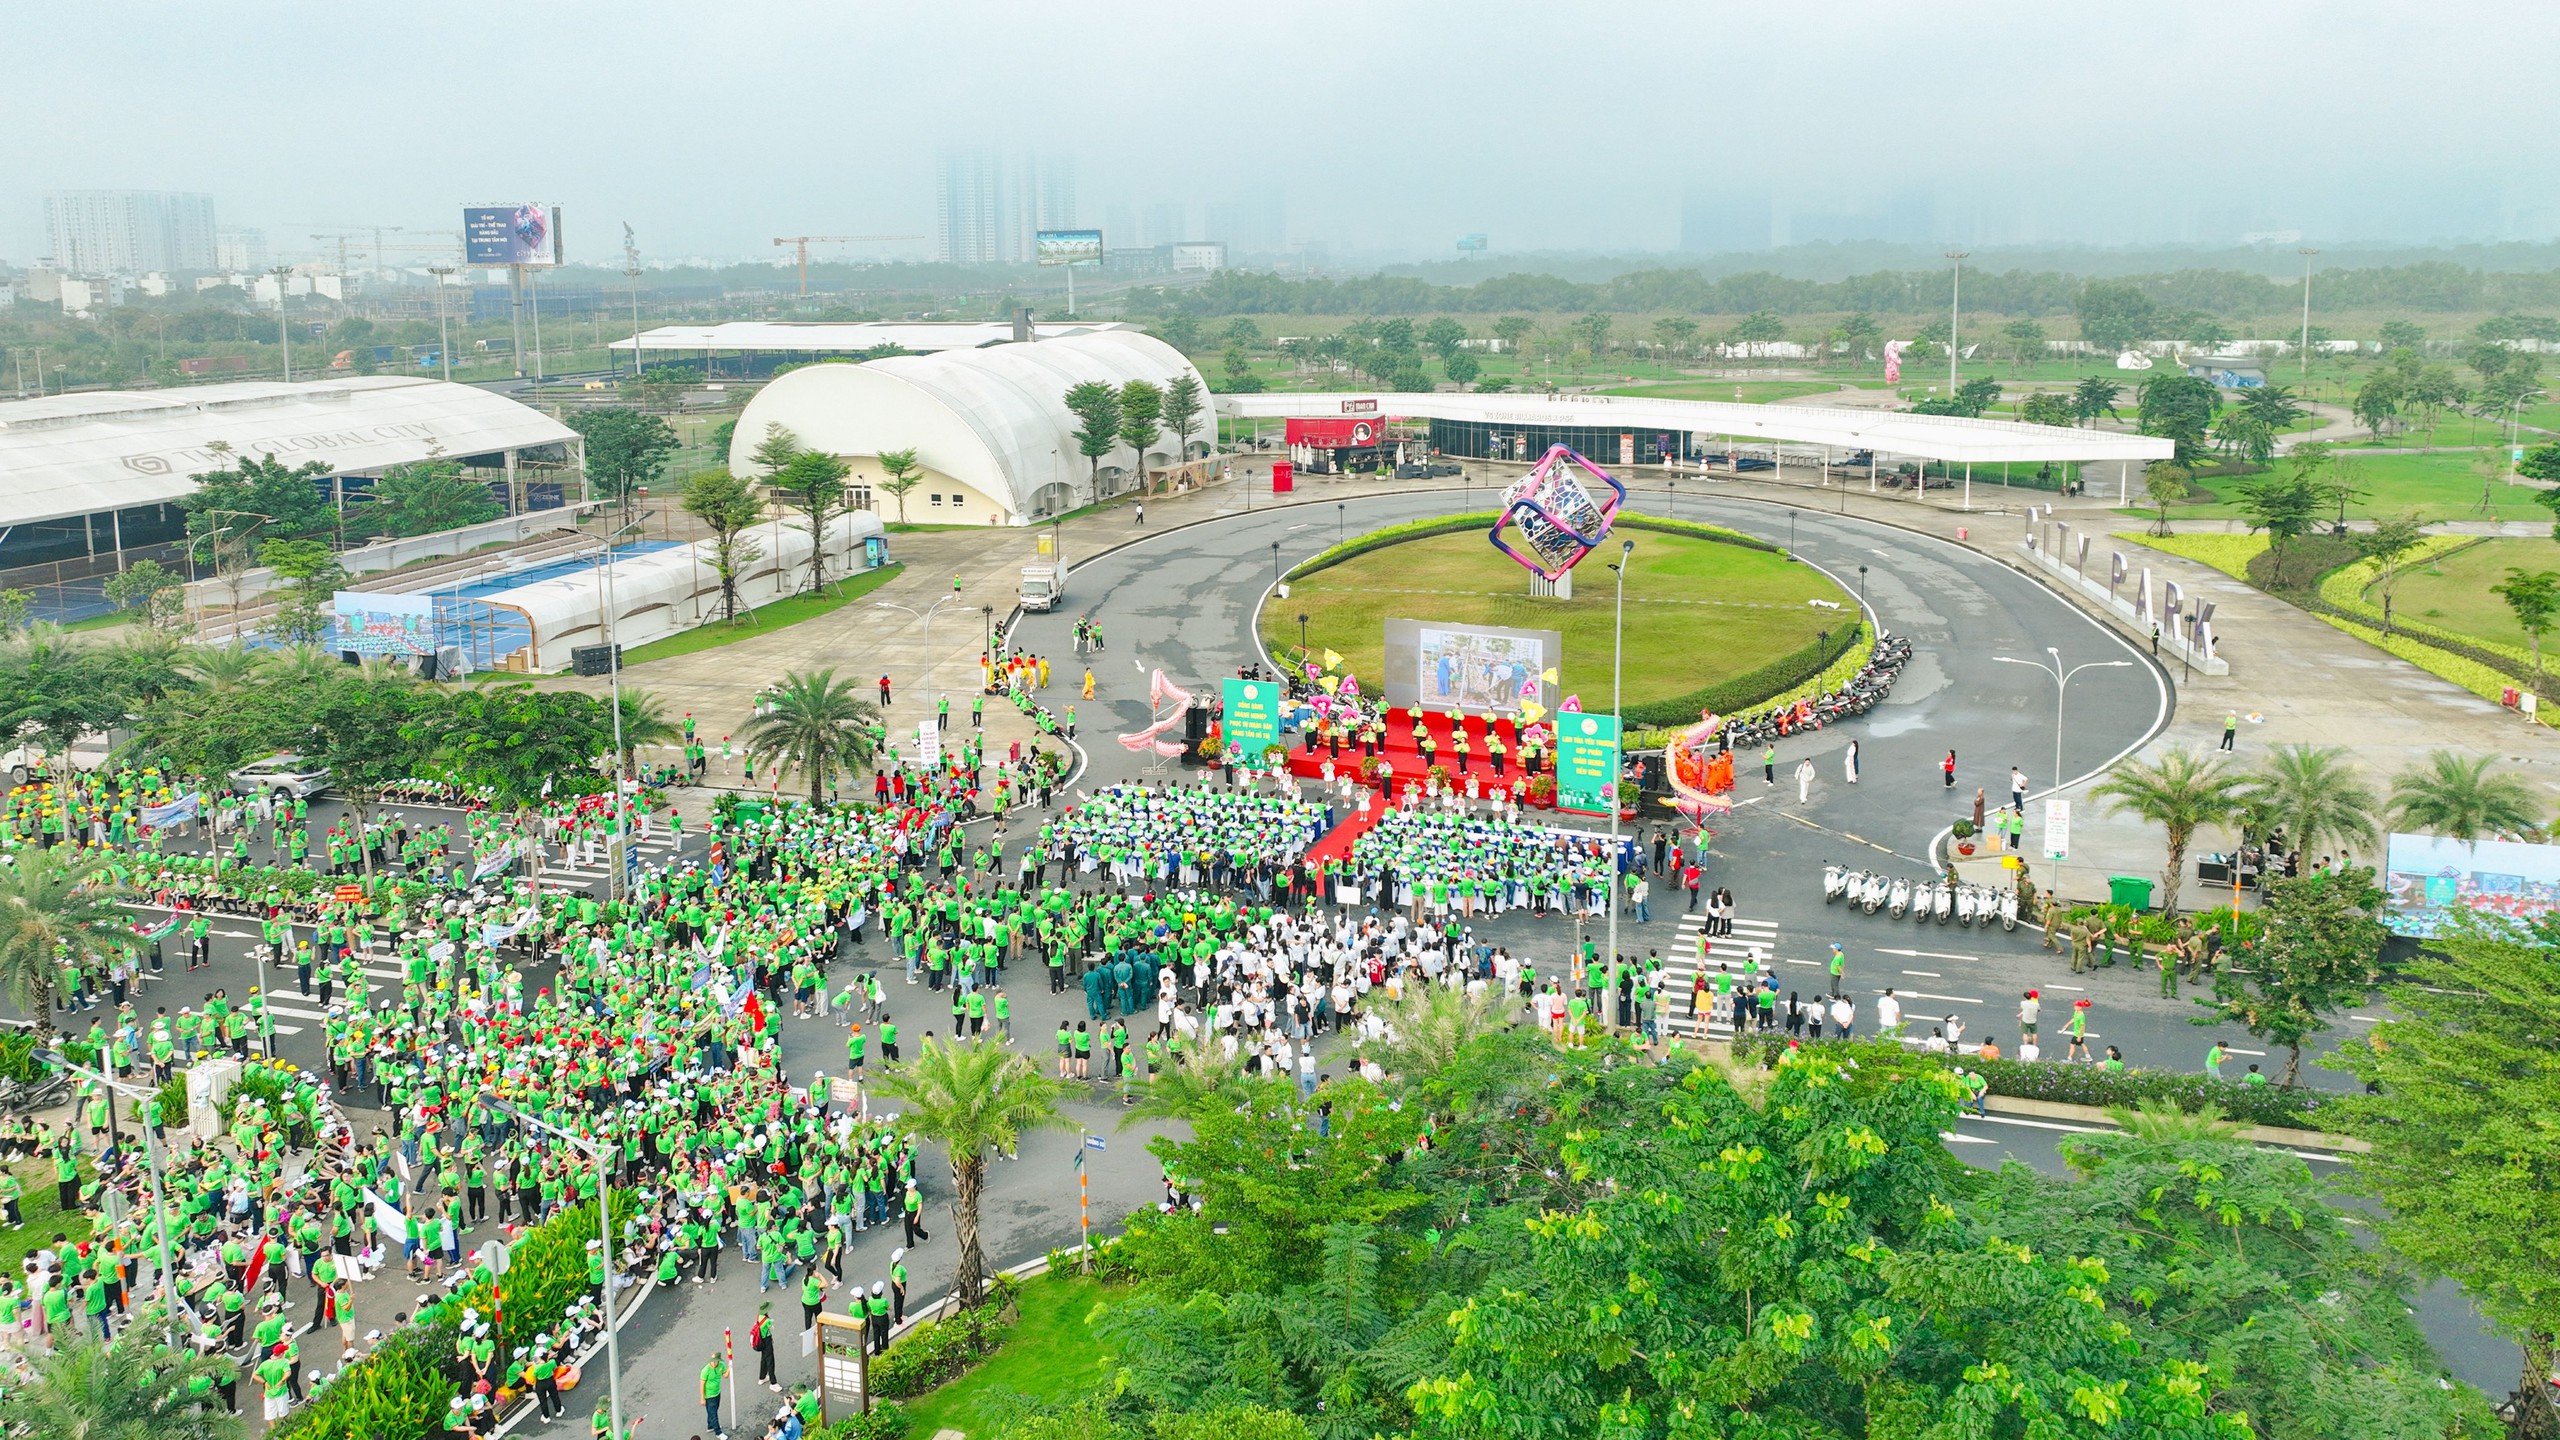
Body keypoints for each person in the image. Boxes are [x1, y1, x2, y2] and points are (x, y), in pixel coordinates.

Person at [701, 1350, 727, 1436]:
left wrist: (730, 1368)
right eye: (712, 1361)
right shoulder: (705, 1370)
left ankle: (710, 1426)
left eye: (715, 1361)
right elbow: (702, 1384)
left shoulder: (721, 1365)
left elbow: (725, 1375)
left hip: (717, 1392)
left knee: (713, 1411)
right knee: (713, 1414)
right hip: (709, 1395)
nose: (714, 1363)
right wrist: (702, 1398)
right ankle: (718, 1433)